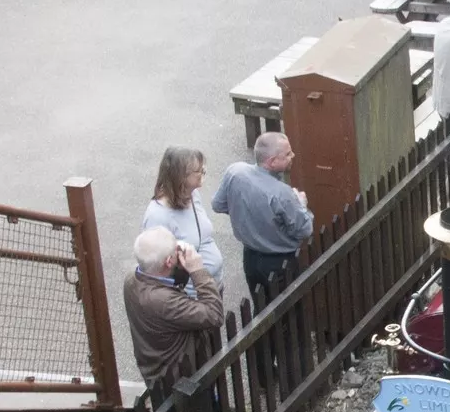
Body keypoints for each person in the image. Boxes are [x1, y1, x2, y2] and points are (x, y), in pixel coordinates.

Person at [211, 133, 315, 299]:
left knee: (260, 309)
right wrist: (301, 205)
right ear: (272, 162)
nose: (293, 156)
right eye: (288, 154)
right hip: (280, 263)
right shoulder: (283, 194)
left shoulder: (235, 172)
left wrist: (246, 214)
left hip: (250, 259)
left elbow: (218, 205)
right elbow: (305, 230)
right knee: (288, 313)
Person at [123, 227, 224, 392]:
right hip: (178, 378)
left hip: (155, 368)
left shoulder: (132, 279)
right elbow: (214, 314)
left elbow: (169, 286)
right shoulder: (163, 301)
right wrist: (197, 270)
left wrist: (180, 271)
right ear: (169, 262)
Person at [143, 146, 224, 287]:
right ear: (180, 177)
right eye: (198, 170)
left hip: (212, 285)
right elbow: (156, 267)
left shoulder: (192, 195)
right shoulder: (157, 216)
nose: (203, 172)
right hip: (192, 296)